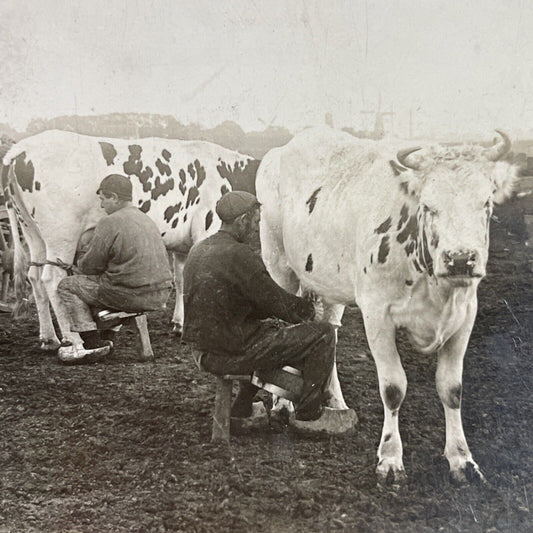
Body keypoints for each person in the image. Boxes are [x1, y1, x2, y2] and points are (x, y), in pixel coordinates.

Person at [182, 190, 356, 434]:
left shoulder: (199, 249)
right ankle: (309, 414)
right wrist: (310, 306)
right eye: (255, 222)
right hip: (228, 352)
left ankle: (241, 409)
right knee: (323, 334)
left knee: (263, 333)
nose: (256, 229)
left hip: (203, 349)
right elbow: (278, 304)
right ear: (242, 221)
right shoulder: (240, 255)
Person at [57, 174, 173, 364]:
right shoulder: (147, 220)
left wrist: (77, 262)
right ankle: (108, 338)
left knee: (68, 286)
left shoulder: (109, 222)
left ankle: (92, 344)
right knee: (108, 282)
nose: (102, 206)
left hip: (128, 295)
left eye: (103, 199)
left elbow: (90, 266)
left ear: (115, 197)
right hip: (160, 294)